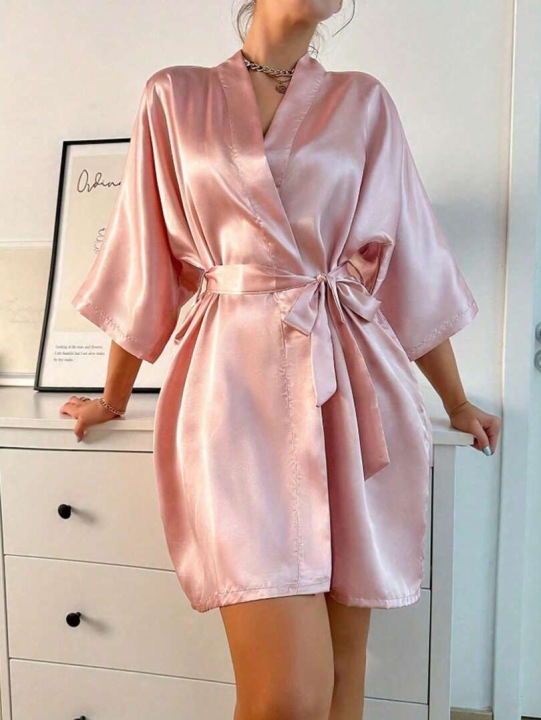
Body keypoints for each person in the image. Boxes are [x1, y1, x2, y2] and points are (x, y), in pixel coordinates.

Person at [60, 1, 502, 718]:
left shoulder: (364, 102)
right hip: (233, 394)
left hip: (350, 386)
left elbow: (410, 262)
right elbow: (143, 254)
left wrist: (455, 401)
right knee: (286, 697)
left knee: (341, 678)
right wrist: (113, 395)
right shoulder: (175, 96)